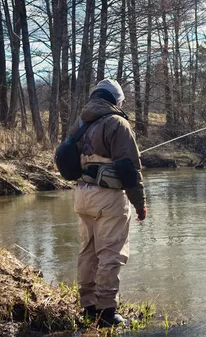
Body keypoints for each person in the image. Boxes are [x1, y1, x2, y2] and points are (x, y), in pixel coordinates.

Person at [69, 79, 147, 327]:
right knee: (110, 254)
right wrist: (139, 203)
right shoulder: (117, 123)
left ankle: (88, 306)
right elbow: (129, 168)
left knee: (88, 251)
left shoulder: (80, 123)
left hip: (81, 195)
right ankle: (107, 311)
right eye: (122, 100)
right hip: (107, 197)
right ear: (116, 100)